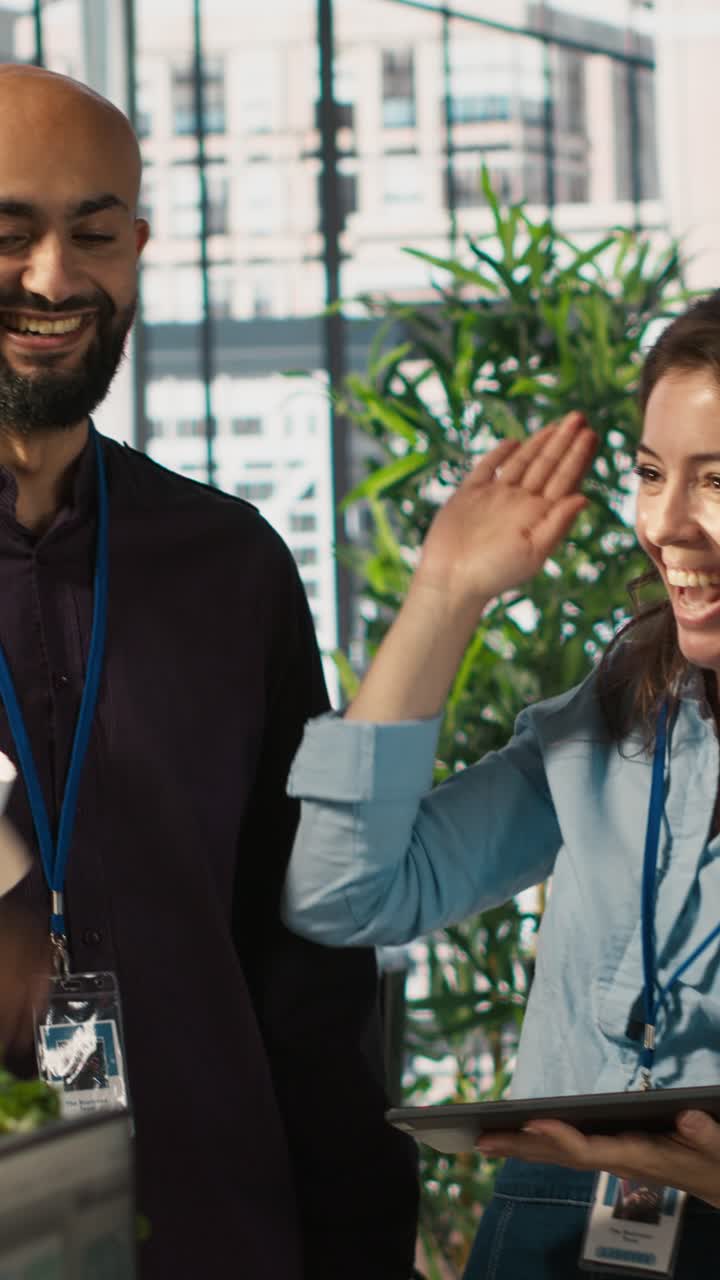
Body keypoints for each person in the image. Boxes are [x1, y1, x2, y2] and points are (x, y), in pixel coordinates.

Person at [0, 64, 418, 1278]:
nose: (54, 278)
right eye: (9, 231)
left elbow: (307, 967)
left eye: (96, 232)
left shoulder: (229, 564)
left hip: (223, 1236)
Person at [283, 292, 720, 1276]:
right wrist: (447, 591)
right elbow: (344, 894)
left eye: (716, 477)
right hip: (548, 1229)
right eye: (652, 474)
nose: (668, 524)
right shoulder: (621, 714)